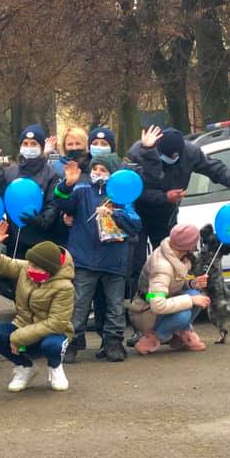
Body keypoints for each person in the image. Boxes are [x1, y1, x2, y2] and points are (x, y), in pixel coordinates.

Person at [126, 126, 230, 296]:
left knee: (170, 262)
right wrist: (164, 196)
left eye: (176, 156)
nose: (172, 159)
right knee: (136, 264)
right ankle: (136, 304)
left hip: (166, 216)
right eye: (168, 156)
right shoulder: (139, 152)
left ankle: (167, 300)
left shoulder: (190, 153)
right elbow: (132, 191)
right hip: (138, 213)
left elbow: (215, 169)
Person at [54, 154, 140, 363]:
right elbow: (62, 204)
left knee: (115, 305)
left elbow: (135, 225)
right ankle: (71, 342)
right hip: (84, 260)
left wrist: (114, 214)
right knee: (79, 304)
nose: (98, 173)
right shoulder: (82, 190)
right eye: (95, 169)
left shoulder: (122, 197)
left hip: (114, 262)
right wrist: (66, 185)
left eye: (103, 170)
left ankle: (113, 342)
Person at [0, 220, 74, 393]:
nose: (30, 269)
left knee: (52, 346)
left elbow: (56, 323)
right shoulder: (27, 267)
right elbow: (1, 264)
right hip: (22, 324)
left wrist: (19, 337)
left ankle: (55, 367)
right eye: (30, 264)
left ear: (49, 270)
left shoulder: (65, 287)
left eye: (36, 267)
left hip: (52, 332)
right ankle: (25, 367)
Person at [128, 223, 211, 354]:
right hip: (146, 307)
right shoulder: (162, 266)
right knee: (184, 314)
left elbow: (175, 282)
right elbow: (157, 304)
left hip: (160, 298)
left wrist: (192, 283)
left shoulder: (177, 254)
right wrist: (191, 300)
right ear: (189, 246)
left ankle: (183, 332)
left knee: (195, 293)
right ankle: (153, 338)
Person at [0, 123, 63, 260]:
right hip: (14, 243)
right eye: (25, 143)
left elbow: (53, 205)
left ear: (41, 147)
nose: (29, 147)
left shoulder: (51, 174)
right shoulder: (10, 172)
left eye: (33, 144)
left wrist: (40, 220)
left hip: (41, 244)